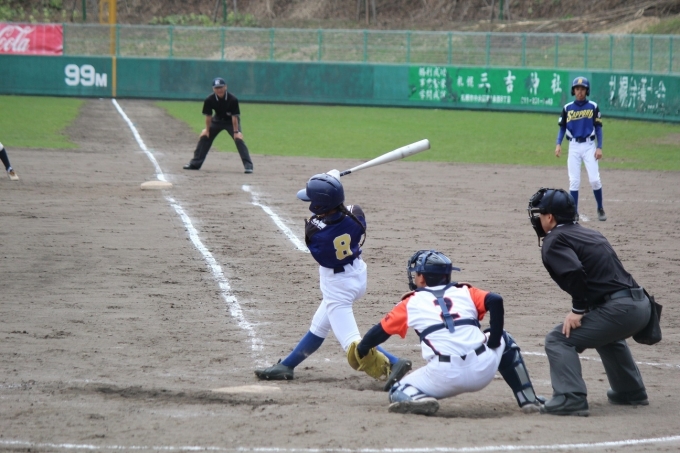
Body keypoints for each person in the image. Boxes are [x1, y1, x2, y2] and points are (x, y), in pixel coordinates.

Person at [255, 171, 411, 387]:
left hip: (338, 287)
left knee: (352, 343)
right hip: (357, 274)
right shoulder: (356, 215)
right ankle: (287, 366)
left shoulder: (317, 234)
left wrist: (331, 182)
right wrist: (333, 185)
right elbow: (345, 208)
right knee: (319, 326)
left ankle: (394, 362)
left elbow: (315, 222)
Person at [355, 249, 544, 416]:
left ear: (422, 278)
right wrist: (494, 341)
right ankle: (529, 399)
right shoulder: (466, 291)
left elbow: (379, 332)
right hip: (482, 369)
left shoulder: (410, 302)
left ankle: (418, 399)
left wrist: (362, 348)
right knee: (504, 338)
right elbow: (495, 300)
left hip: (444, 377)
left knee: (398, 389)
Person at [527, 187, 652, 416]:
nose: (538, 219)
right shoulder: (590, 233)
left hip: (621, 310)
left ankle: (570, 398)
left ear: (550, 217)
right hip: (641, 306)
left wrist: (578, 309)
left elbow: (574, 270)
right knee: (607, 336)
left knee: (558, 339)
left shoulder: (554, 239)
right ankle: (629, 391)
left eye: (540, 214)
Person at [554, 76, 606, 221]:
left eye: (583, 89)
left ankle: (600, 208)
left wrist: (599, 147)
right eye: (577, 88)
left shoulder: (593, 106)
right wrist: (558, 144)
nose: (580, 91)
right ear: (573, 90)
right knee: (574, 181)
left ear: (587, 91)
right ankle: (574, 212)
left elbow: (598, 128)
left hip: (589, 146)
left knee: (595, 180)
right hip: (574, 146)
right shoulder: (567, 108)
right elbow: (562, 128)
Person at [183, 77, 254, 173]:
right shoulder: (209, 99)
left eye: (221, 87)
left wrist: (236, 132)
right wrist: (207, 130)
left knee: (238, 139)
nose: (219, 90)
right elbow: (208, 116)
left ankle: (248, 166)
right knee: (205, 137)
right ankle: (195, 164)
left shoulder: (232, 99)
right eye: (216, 88)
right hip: (217, 120)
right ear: (213, 89)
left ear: (225, 87)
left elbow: (234, 117)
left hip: (231, 122)